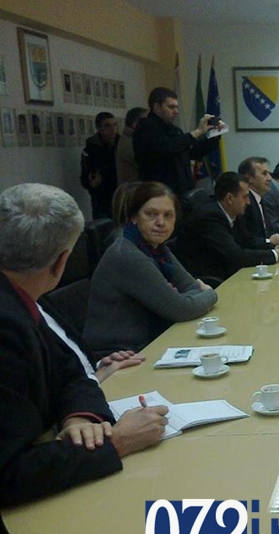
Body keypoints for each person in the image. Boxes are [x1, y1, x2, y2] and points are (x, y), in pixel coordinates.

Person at [0, 183, 168, 507]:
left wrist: (79, 418)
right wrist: (117, 442)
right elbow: (9, 475)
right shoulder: (7, 324)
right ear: (61, 262)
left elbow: (70, 369)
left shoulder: (21, 296)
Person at [84, 182, 219, 354]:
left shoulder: (158, 248)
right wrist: (210, 293)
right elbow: (182, 309)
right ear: (134, 217)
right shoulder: (127, 254)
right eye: (151, 214)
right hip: (120, 354)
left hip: (151, 341)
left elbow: (190, 287)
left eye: (168, 215)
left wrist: (182, 298)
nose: (161, 222)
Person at [177, 172, 279, 283]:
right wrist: (278, 254)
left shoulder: (232, 211)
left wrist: (274, 245)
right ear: (229, 198)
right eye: (245, 197)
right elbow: (235, 256)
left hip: (229, 273)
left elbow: (247, 240)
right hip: (211, 280)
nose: (248, 202)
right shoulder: (210, 217)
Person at [133, 87, 223, 197]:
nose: (176, 111)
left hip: (183, 191)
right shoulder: (145, 128)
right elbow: (166, 148)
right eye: (171, 107)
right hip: (159, 193)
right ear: (157, 107)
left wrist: (214, 136)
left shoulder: (175, 130)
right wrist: (197, 132)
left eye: (177, 107)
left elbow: (193, 152)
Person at [236, 157, 279, 250]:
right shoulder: (246, 204)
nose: (270, 178)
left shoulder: (260, 199)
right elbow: (247, 241)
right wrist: (270, 242)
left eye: (269, 174)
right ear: (249, 178)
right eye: (264, 174)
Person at [80, 111, 119, 219]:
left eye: (114, 125)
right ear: (99, 128)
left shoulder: (121, 144)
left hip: (121, 194)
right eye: (107, 126)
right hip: (101, 198)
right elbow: (85, 175)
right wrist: (91, 184)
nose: (112, 129)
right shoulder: (91, 149)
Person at [115, 106, 147, 185]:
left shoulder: (130, 139)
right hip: (135, 189)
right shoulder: (130, 142)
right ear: (135, 124)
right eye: (146, 121)